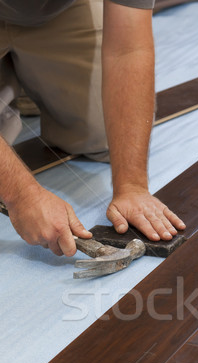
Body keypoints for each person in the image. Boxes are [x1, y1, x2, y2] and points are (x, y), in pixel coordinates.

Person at [0, 0, 186, 257]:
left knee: (105, 136)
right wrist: (21, 195)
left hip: (57, 12)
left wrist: (132, 187)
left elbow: (128, 49)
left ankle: (28, 77)